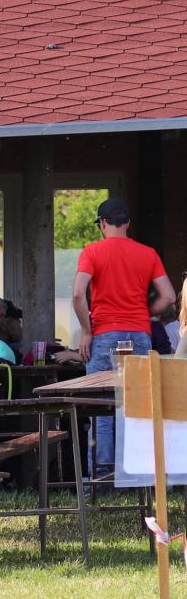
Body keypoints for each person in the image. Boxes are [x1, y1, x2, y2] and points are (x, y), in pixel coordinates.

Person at [72, 198, 174, 468]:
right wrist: (144, 313)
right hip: (139, 336)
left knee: (101, 409)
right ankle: (135, 475)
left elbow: (78, 293)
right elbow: (168, 296)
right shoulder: (148, 253)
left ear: (102, 223)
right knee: (136, 408)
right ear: (127, 223)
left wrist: (86, 331)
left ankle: (102, 479)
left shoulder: (92, 252)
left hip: (105, 334)